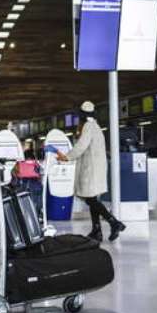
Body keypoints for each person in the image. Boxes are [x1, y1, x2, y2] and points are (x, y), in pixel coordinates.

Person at [57, 101, 126, 242]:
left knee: (90, 198)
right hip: (96, 167)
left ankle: (114, 222)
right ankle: (97, 230)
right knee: (92, 198)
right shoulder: (96, 126)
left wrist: (67, 156)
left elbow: (82, 145)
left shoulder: (88, 127)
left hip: (91, 169)